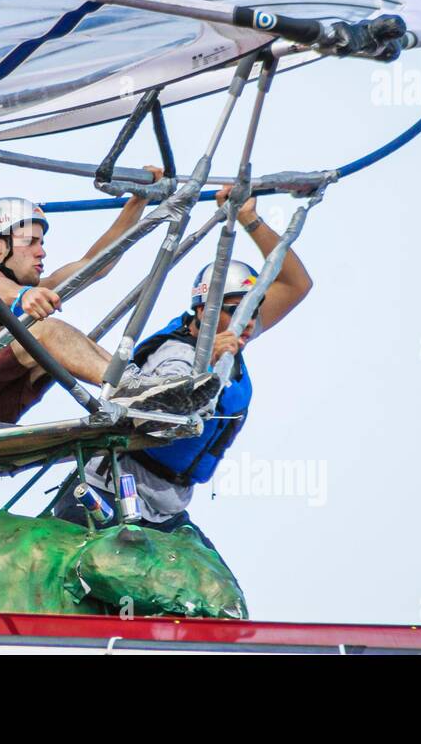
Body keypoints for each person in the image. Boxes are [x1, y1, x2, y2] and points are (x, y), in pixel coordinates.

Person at [51, 188, 313, 567]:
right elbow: (161, 407)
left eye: (255, 310)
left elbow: (295, 285)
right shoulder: (179, 356)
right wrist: (204, 374)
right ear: (206, 314)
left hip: (165, 510)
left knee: (211, 597)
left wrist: (250, 220)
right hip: (110, 496)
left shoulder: (234, 333)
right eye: (240, 311)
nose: (251, 322)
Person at [0, 177, 219, 437]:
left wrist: (138, 201)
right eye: (31, 242)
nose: (41, 252)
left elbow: (96, 264)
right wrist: (20, 297)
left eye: (42, 243)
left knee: (52, 350)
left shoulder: (29, 291)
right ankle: (130, 388)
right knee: (41, 331)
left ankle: (142, 396)